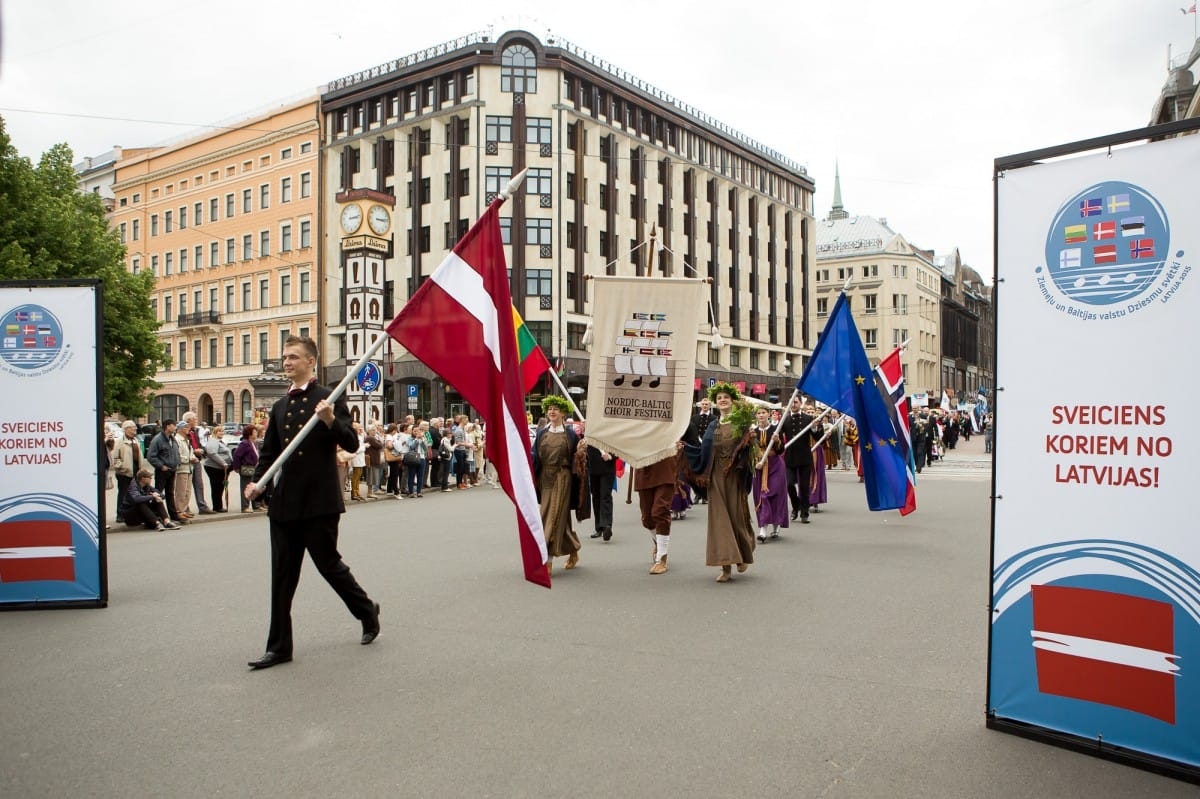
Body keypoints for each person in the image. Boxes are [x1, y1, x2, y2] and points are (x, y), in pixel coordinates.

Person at [243, 335, 380, 670]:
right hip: (285, 503)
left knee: (329, 566)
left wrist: (331, 420)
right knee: (282, 575)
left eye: (293, 357)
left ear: (310, 362)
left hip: (319, 501)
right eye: (285, 357)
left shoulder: (329, 398)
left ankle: (367, 611)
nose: (287, 362)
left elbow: (350, 441)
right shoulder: (279, 406)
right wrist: (257, 484)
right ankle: (279, 647)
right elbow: (270, 453)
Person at [685, 382, 756, 582]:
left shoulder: (742, 423)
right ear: (716, 403)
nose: (722, 400)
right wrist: (684, 449)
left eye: (726, 397)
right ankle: (726, 566)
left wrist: (749, 442)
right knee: (719, 521)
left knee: (736, 518)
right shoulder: (712, 425)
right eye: (719, 398)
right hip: (715, 476)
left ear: (732, 401)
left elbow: (750, 453)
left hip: (734, 476)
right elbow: (702, 452)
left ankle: (743, 553)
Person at [532, 395, 582, 573]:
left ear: (563, 413)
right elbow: (534, 457)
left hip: (563, 477)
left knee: (552, 515)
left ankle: (548, 561)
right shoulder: (541, 434)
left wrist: (582, 451)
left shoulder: (570, 435)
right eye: (549, 409)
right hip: (545, 478)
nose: (552, 411)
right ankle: (573, 548)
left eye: (555, 409)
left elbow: (578, 458)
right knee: (555, 516)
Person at [634, 448, 683, 574]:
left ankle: (661, 559)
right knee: (647, 519)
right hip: (644, 465)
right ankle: (659, 541)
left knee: (660, 511)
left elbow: (682, 430)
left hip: (665, 464)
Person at [780, 395, 821, 524]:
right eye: (791, 402)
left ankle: (804, 512)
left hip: (804, 457)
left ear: (800, 404)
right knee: (789, 484)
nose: (793, 405)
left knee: (804, 487)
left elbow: (817, 436)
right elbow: (779, 437)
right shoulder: (785, 420)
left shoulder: (808, 419)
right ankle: (795, 505)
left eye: (796, 402)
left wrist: (814, 428)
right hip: (790, 457)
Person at [749, 407, 789, 541]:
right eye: (758, 413)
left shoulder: (775, 430)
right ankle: (762, 529)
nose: (761, 415)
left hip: (775, 466)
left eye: (763, 413)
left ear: (768, 415)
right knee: (761, 496)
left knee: (773, 495)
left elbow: (781, 450)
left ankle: (776, 523)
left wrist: (777, 441)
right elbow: (748, 451)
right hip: (758, 467)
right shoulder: (752, 432)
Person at [145, 420, 184, 524]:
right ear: (167, 426)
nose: (175, 427)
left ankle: (173, 515)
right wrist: (161, 466)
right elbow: (151, 456)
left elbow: (175, 452)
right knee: (158, 493)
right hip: (162, 471)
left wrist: (178, 462)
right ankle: (158, 515)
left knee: (170, 493)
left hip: (172, 470)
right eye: (173, 425)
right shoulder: (158, 439)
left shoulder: (172, 438)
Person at [584, 435, 617, 542]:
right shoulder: (590, 431)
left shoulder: (611, 429)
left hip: (607, 468)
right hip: (593, 468)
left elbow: (619, 447)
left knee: (605, 496)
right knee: (596, 497)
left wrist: (611, 456)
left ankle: (607, 525)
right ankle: (598, 527)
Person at [182, 411, 213, 515]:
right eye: (194, 419)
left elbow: (197, 443)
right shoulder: (183, 431)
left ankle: (202, 506)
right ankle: (185, 508)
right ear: (188, 420)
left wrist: (202, 451)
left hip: (197, 459)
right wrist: (194, 451)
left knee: (199, 484)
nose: (196, 421)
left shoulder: (195, 431)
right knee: (185, 486)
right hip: (187, 461)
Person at [684, 397, 714, 503]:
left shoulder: (714, 418)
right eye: (703, 404)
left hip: (708, 448)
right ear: (700, 405)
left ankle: (705, 492)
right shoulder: (694, 418)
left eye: (707, 404)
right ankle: (697, 494)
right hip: (696, 446)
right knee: (695, 471)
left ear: (710, 406)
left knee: (706, 471)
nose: (705, 406)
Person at [111, 420, 142, 523]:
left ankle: (131, 514)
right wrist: (122, 466)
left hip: (136, 470)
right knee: (123, 494)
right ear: (127, 429)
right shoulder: (119, 441)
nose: (135, 429)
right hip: (124, 472)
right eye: (133, 428)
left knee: (134, 494)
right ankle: (120, 515)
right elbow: (115, 458)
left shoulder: (135, 440)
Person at [231, 425, 262, 512]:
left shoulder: (253, 442)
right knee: (246, 487)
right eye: (255, 432)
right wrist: (236, 467)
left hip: (254, 467)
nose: (256, 433)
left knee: (254, 487)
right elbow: (237, 455)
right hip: (246, 468)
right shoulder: (244, 443)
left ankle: (256, 505)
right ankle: (245, 507)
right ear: (249, 433)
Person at [203, 427, 233, 513]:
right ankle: (217, 506)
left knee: (220, 487)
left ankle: (218, 506)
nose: (221, 433)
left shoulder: (220, 442)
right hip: (214, 467)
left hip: (221, 468)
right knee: (217, 487)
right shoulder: (213, 441)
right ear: (215, 432)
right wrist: (223, 463)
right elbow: (212, 453)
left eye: (222, 431)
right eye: (219, 431)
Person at [173, 421, 197, 520]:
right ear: (180, 429)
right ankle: (179, 511)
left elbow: (190, 451)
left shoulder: (186, 439)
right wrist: (188, 459)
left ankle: (184, 509)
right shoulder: (177, 439)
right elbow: (177, 455)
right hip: (182, 468)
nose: (188, 429)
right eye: (186, 427)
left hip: (189, 468)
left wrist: (193, 457)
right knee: (181, 491)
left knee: (187, 491)